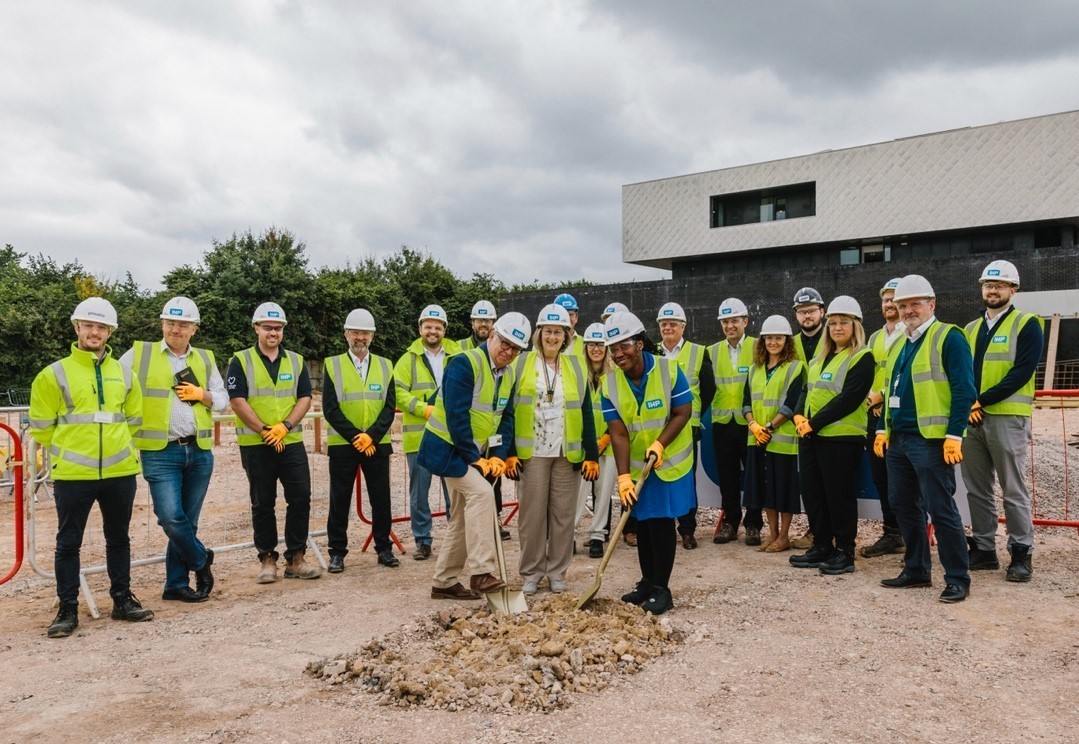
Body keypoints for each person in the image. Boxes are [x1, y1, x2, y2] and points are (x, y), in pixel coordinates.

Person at [30, 297, 154, 638]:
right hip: (73, 474)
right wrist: (69, 451)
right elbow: (41, 426)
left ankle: (122, 600)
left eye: (101, 327)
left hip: (118, 472)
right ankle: (67, 609)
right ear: (77, 328)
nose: (95, 332)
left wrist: (121, 450)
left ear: (110, 331)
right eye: (89, 325)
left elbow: (134, 420)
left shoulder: (124, 374)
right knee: (68, 542)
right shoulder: (53, 374)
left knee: (119, 539)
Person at [875, 275, 976, 603]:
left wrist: (954, 434)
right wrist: (881, 428)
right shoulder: (899, 345)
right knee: (904, 506)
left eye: (915, 303)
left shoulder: (949, 337)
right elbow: (889, 389)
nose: (908, 310)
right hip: (899, 439)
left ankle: (958, 577)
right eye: (902, 305)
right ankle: (917, 569)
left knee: (940, 508)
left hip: (931, 441)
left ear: (932, 304)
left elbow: (964, 389)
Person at [419, 312, 532, 600]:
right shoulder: (464, 363)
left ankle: (443, 582)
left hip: (471, 453)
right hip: (447, 451)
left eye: (515, 349)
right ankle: (482, 572)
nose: (508, 352)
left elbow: (504, 416)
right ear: (492, 335)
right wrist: (475, 458)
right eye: (505, 344)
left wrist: (497, 454)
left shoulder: (507, 375)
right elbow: (457, 417)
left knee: (461, 518)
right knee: (481, 494)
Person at [121, 296, 226, 603]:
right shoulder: (139, 354)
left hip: (199, 449)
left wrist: (202, 394)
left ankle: (176, 584)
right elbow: (116, 383)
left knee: (188, 520)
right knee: (170, 517)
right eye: (170, 323)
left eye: (182, 324)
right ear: (162, 324)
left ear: (194, 328)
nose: (175, 329)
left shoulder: (205, 359)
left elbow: (221, 399)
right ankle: (200, 561)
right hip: (159, 450)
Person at [602, 311, 693, 615]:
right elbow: (618, 434)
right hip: (640, 466)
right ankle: (647, 581)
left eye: (623, 346)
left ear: (639, 343)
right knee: (643, 521)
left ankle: (662, 588)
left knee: (662, 521)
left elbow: (683, 412)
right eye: (612, 349)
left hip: (669, 462)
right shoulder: (610, 385)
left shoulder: (669, 370)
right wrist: (623, 476)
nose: (618, 354)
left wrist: (660, 443)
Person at [961, 260, 1044, 582]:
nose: (992, 290)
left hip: (1007, 417)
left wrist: (981, 400)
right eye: (988, 285)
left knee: (1013, 489)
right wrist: (969, 403)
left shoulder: (1027, 324)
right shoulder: (969, 329)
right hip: (973, 418)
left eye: (999, 285)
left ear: (1013, 289)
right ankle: (983, 549)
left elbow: (1022, 371)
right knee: (977, 489)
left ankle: (1021, 552)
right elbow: (961, 372)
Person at [227, 302, 321, 583]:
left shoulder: (296, 360)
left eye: (278, 328)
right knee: (262, 502)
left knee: (300, 497)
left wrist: (285, 426)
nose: (273, 332)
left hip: (289, 440)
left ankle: (296, 558)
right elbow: (237, 400)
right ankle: (267, 558)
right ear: (256, 328)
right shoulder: (240, 360)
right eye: (267, 327)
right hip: (257, 444)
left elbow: (305, 397)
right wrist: (264, 430)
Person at [510, 304, 599, 594]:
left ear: (566, 336)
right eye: (547, 331)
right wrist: (508, 451)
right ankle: (532, 572)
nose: (552, 337)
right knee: (531, 516)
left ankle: (558, 571)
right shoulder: (521, 363)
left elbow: (585, 409)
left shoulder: (575, 365)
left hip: (565, 451)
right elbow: (509, 409)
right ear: (538, 333)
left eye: (557, 332)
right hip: (532, 450)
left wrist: (591, 454)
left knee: (563, 516)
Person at [789, 296, 874, 575]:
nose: (837, 328)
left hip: (841, 437)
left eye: (844, 323)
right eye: (833, 323)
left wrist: (814, 422)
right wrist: (799, 416)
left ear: (855, 326)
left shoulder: (862, 356)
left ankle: (845, 552)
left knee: (839, 496)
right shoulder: (820, 358)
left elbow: (850, 398)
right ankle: (822, 545)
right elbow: (806, 390)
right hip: (812, 435)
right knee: (813, 494)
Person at [323, 309, 399, 573]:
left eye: (365, 332)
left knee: (381, 498)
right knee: (339, 498)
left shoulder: (386, 365)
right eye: (355, 332)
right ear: (346, 334)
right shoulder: (332, 364)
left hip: (376, 444)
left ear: (372, 336)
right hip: (345, 444)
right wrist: (357, 436)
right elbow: (330, 409)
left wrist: (372, 436)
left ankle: (384, 548)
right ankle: (337, 552)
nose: (360, 337)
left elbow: (389, 408)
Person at [393, 304, 462, 560]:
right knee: (419, 493)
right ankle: (422, 540)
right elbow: (398, 392)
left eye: (438, 327)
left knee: (454, 490)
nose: (433, 331)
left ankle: (456, 538)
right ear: (420, 328)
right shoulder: (407, 359)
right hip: (419, 438)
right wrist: (424, 409)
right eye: (428, 326)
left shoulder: (458, 354)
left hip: (450, 436)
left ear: (444, 330)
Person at [741, 315, 804, 553]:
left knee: (784, 489)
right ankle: (773, 534)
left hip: (782, 440)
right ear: (762, 341)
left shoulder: (795, 368)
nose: (773, 343)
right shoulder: (754, 370)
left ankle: (785, 536)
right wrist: (754, 426)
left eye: (778, 338)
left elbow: (791, 403)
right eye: (769, 338)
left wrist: (768, 427)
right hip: (757, 439)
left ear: (786, 341)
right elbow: (746, 403)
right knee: (765, 489)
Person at [656, 302, 716, 549]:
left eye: (672, 324)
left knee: (685, 479)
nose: (668, 328)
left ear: (683, 326)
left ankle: (687, 530)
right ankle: (663, 527)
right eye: (663, 324)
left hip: (687, 426)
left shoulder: (698, 352)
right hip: (657, 426)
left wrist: (694, 411)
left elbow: (709, 388)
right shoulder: (652, 353)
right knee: (659, 477)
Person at [709, 298, 762, 545]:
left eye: (734, 320)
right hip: (722, 422)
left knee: (753, 475)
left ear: (745, 322)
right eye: (725, 321)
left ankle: (753, 523)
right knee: (727, 476)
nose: (730, 325)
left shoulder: (757, 347)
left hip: (749, 423)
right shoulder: (712, 351)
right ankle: (730, 521)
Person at [861, 278, 907, 558]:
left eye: (895, 299)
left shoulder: (911, 333)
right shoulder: (875, 337)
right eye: (886, 299)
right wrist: (871, 397)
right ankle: (892, 533)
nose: (889, 304)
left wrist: (881, 396)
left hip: (898, 415)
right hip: (874, 416)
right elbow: (868, 372)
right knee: (881, 478)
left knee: (903, 478)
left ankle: (909, 532)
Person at [575, 322, 617, 558]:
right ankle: (569, 534)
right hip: (584, 445)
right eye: (591, 344)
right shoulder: (578, 375)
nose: (596, 349)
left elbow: (623, 413)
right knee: (577, 492)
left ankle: (597, 536)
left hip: (608, 445)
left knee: (603, 492)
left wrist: (606, 439)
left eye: (600, 344)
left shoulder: (615, 376)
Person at [789, 287, 825, 549]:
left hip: (829, 417)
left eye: (811, 310)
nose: (807, 316)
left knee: (831, 481)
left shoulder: (833, 337)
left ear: (821, 311)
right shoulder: (792, 343)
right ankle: (816, 531)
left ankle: (832, 532)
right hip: (801, 417)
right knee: (810, 483)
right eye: (802, 312)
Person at [554, 292, 587, 362]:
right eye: (563, 314)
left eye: (570, 314)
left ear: (576, 317)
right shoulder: (542, 344)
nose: (567, 318)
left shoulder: (585, 345)